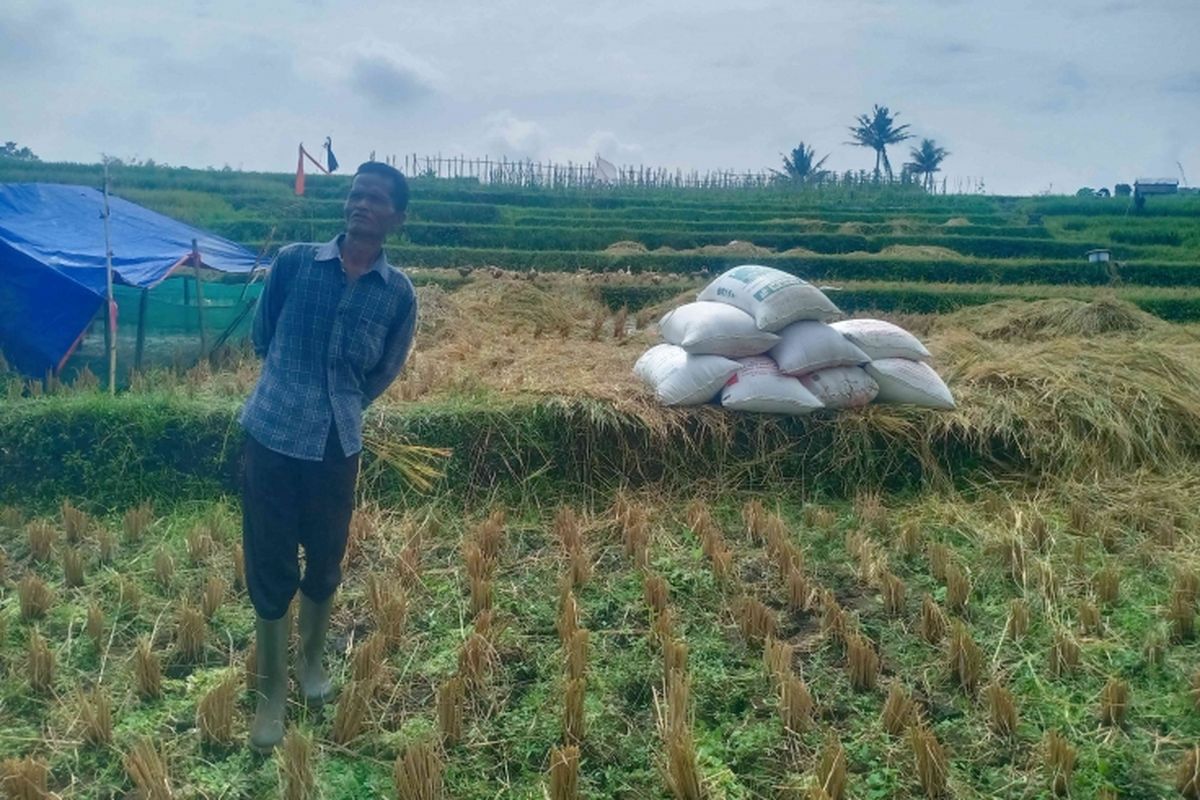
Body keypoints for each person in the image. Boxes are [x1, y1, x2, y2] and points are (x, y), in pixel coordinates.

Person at [239, 161, 417, 752]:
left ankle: (311, 665)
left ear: (396, 216)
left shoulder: (398, 294)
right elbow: (262, 335)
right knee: (269, 563)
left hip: (337, 445)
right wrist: (294, 389)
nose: (360, 205)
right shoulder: (293, 262)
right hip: (270, 434)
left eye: (374, 199)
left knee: (325, 559)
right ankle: (271, 692)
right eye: (355, 194)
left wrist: (340, 402)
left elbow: (385, 369)